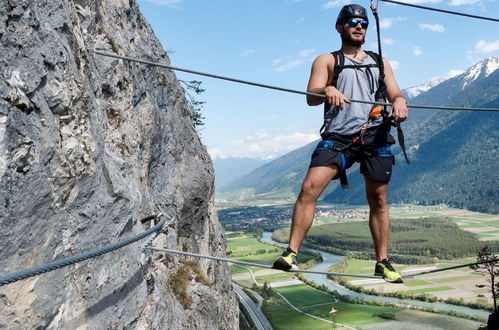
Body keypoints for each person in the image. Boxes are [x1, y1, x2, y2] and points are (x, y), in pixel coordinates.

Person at [272, 4, 408, 283]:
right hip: (339, 136)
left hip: (375, 133)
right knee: (310, 186)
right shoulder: (327, 60)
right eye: (353, 22)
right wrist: (328, 89)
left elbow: (394, 92)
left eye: (364, 23)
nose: (360, 27)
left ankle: (382, 261)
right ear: (339, 27)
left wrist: (400, 100)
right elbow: (312, 95)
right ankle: (290, 253)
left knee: (379, 199)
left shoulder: (380, 61)